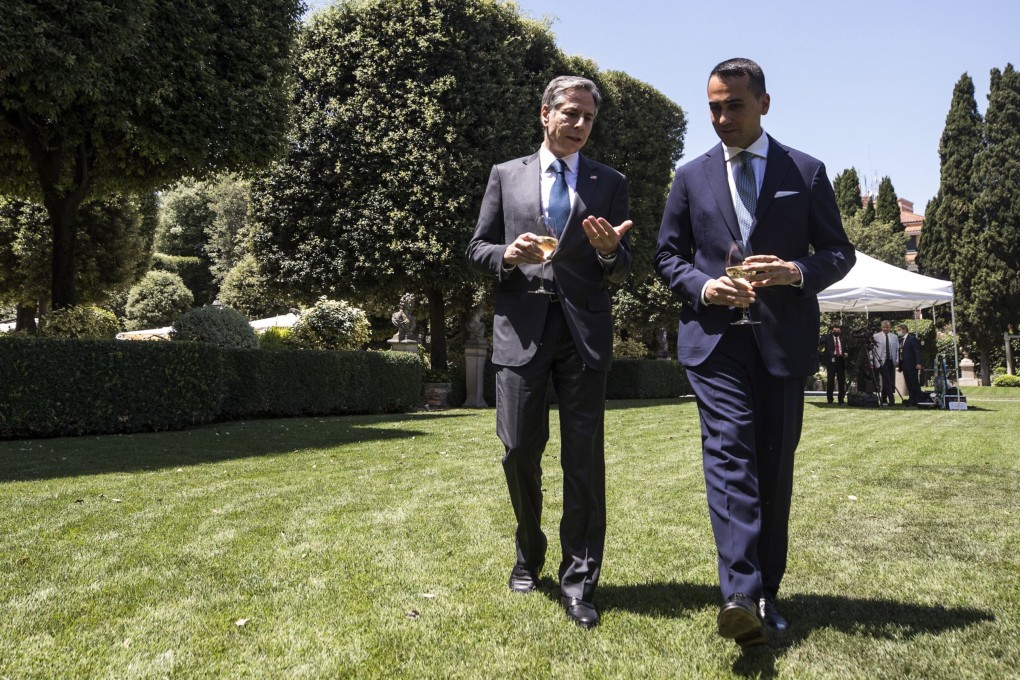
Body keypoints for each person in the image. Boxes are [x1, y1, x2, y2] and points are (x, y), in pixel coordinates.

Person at [655, 58, 854, 648]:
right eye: (713, 106)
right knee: (730, 455)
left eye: (733, 105)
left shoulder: (807, 171)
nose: (721, 118)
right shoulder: (690, 177)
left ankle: (767, 590)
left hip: (782, 343)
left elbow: (839, 252)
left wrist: (795, 271)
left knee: (773, 465)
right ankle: (739, 593)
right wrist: (704, 286)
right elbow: (669, 256)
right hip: (715, 344)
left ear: (764, 103)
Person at [466, 75, 633, 630]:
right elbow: (477, 246)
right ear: (545, 113)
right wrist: (506, 256)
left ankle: (580, 581)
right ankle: (528, 550)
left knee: (583, 462)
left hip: (583, 332)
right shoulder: (504, 176)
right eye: (571, 114)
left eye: (588, 117)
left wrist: (611, 253)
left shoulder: (610, 182)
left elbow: (621, 259)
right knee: (517, 451)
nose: (580, 125)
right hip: (521, 329)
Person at [872, 320, 899, 405]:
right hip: (881, 361)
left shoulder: (894, 337)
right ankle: (891, 399)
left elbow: (897, 349)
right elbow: (872, 350)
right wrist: (873, 361)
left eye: (887, 327)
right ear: (881, 327)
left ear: (890, 327)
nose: (885, 329)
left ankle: (883, 400)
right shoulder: (876, 336)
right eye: (884, 327)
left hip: (891, 361)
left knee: (887, 380)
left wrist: (897, 360)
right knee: (887, 379)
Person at [820, 324, 848, 404]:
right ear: (832, 330)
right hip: (831, 361)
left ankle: (841, 399)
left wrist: (846, 353)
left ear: (840, 331)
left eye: (838, 330)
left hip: (840, 360)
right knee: (830, 381)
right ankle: (830, 399)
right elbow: (820, 343)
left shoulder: (843, 338)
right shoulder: (827, 337)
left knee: (841, 381)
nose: (836, 332)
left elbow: (845, 348)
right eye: (835, 330)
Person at [897, 323, 924, 405]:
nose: (898, 332)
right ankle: (912, 398)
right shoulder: (902, 340)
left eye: (899, 330)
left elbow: (917, 351)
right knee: (908, 383)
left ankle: (918, 398)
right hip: (905, 365)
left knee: (914, 382)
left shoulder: (912, 339)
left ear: (904, 330)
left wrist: (919, 363)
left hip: (912, 365)